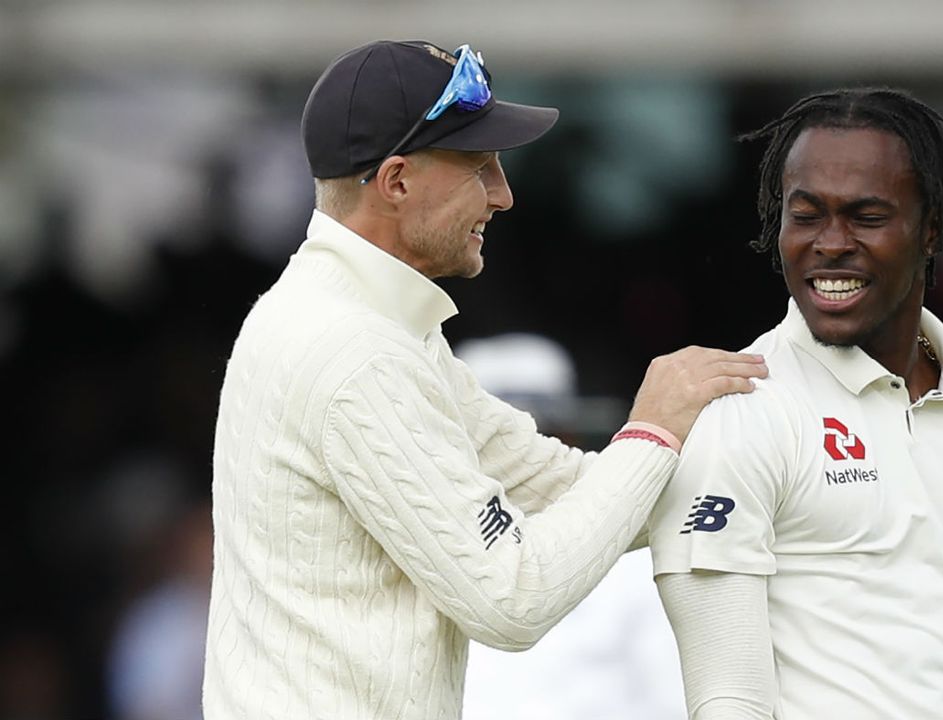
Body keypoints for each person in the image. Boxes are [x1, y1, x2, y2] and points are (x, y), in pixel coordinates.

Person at [201, 39, 767, 720]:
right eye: (479, 166)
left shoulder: (370, 321)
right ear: (397, 181)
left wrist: (769, 467)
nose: (503, 195)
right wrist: (654, 427)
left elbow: (554, 486)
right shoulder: (355, 350)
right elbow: (510, 600)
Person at [649, 87, 943, 719]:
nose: (831, 243)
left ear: (933, 227)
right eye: (807, 214)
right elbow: (727, 700)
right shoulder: (741, 409)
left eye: (866, 217)